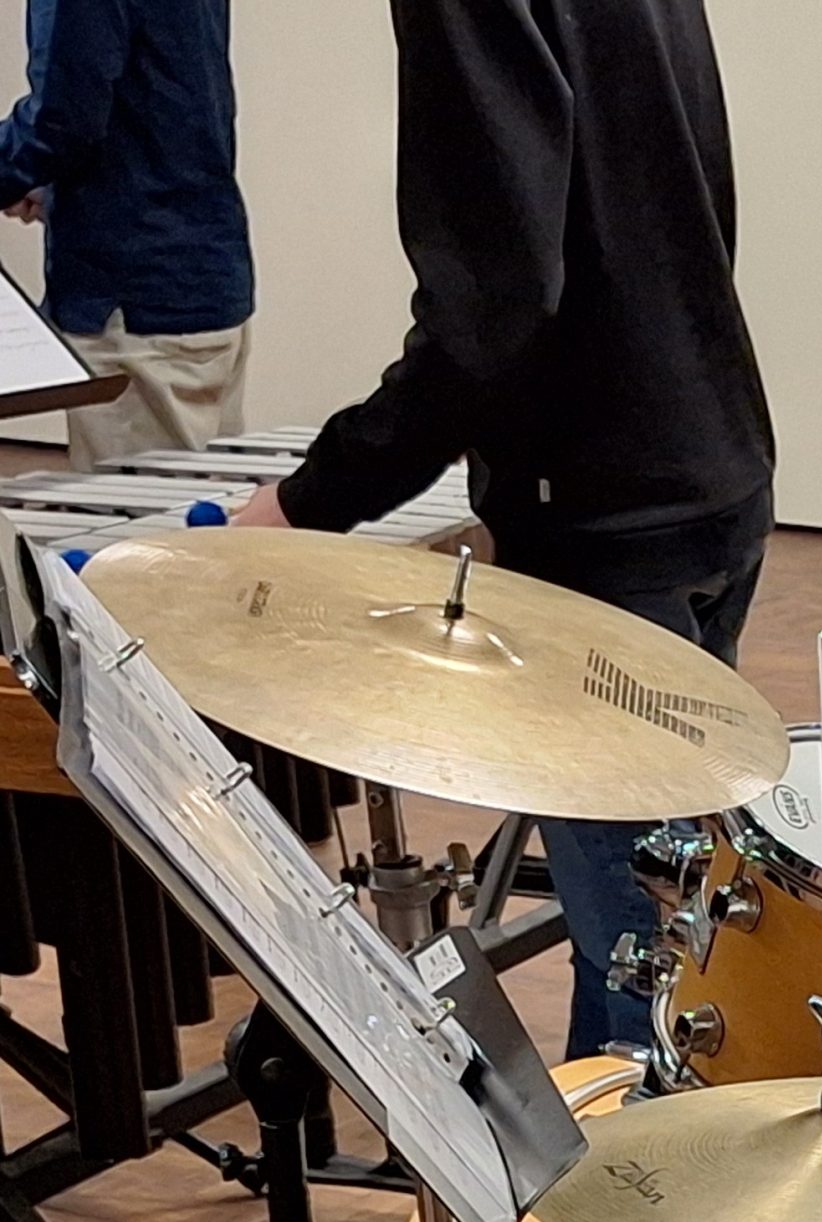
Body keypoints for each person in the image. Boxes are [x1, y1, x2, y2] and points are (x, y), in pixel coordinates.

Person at [233, 0, 774, 1062]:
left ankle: (638, 1165)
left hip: (607, 519)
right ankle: (589, 1156)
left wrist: (309, 499)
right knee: (655, 939)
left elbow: (496, 302)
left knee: (643, 967)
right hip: (711, 462)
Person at [0, 0, 252, 471]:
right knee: (204, 506)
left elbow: (61, 121)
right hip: (199, 274)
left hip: (134, 300)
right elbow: (163, 97)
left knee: (151, 517)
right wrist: (54, 188)